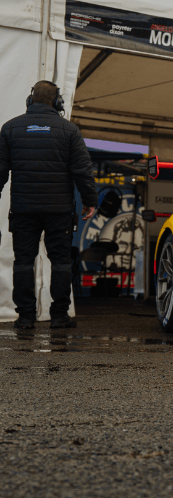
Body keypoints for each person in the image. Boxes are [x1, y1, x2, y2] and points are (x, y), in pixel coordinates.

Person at [0, 80, 98, 329]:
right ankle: (58, 316)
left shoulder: (10, 128)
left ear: (30, 100)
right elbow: (83, 171)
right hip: (59, 211)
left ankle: (25, 318)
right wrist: (90, 201)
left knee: (23, 261)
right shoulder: (69, 130)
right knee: (61, 261)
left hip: (23, 209)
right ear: (58, 103)